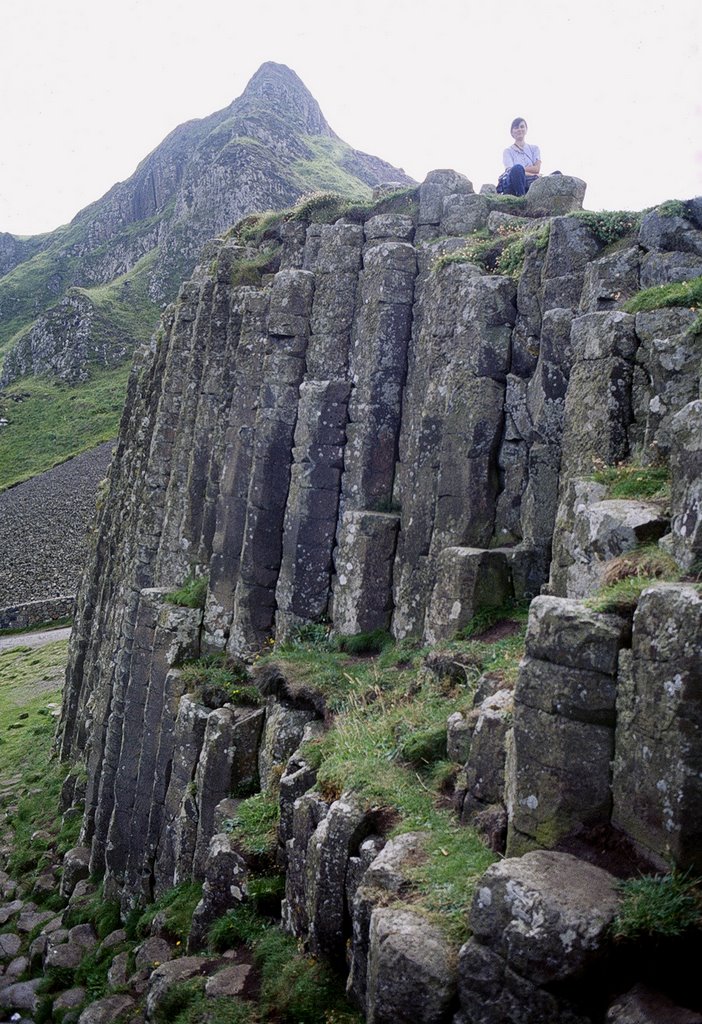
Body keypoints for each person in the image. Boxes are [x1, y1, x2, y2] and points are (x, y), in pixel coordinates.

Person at [497, 118, 541, 196]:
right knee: (517, 169)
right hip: (513, 184)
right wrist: (532, 173)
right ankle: (522, 198)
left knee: (556, 174)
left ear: (526, 129)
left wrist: (524, 171)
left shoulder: (534, 149)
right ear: (512, 132)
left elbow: (537, 169)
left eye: (522, 126)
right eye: (516, 127)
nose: (519, 129)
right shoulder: (508, 151)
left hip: (531, 181)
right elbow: (511, 171)